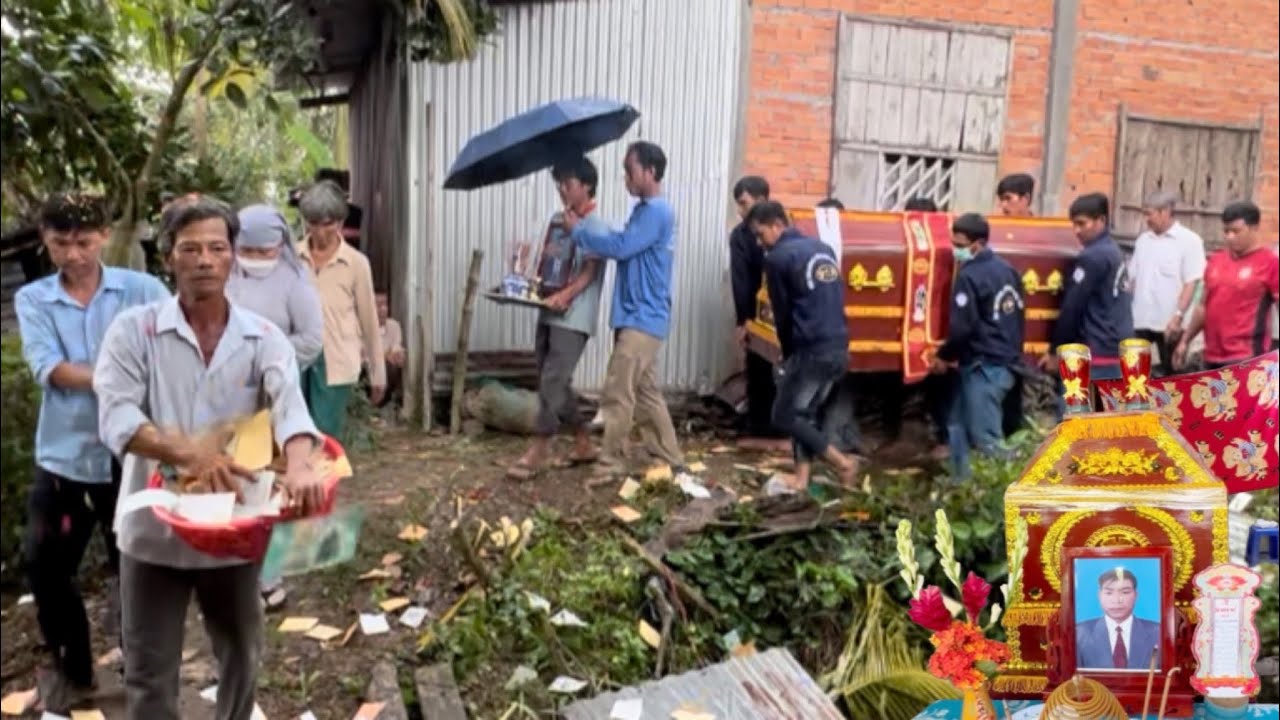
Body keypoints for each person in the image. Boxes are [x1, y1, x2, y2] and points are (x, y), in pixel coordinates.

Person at [94, 196, 325, 720]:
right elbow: (117, 416)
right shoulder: (135, 332)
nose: (204, 260)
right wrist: (188, 453)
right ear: (168, 258)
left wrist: (301, 463)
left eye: (217, 248)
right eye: (190, 248)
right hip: (154, 532)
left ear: (233, 257)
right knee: (149, 671)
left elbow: (289, 407)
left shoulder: (262, 337)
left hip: (233, 526)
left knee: (242, 655)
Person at [14, 194, 169, 713]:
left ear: (104, 235)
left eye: (83, 241)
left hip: (133, 456)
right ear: (45, 240)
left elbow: (170, 354)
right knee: (44, 568)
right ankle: (74, 669)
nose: (73, 254)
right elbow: (50, 368)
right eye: (61, 243)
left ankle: (143, 667)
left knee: (139, 566)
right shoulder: (34, 299)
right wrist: (119, 378)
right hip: (64, 458)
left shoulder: (143, 291)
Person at [564, 141, 684, 476]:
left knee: (619, 390)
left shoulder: (657, 211)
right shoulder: (644, 212)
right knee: (645, 393)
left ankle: (612, 460)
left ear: (650, 171)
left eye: (630, 171)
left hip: (642, 317)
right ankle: (670, 458)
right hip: (640, 316)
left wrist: (580, 232)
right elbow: (625, 245)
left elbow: (621, 247)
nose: (625, 178)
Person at [507, 157, 606, 479]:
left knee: (553, 379)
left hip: (574, 315)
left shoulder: (596, 227)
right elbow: (548, 262)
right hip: (549, 309)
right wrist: (526, 264)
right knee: (552, 379)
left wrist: (566, 295)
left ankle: (539, 448)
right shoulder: (557, 220)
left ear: (586, 186)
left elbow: (590, 272)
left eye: (568, 183)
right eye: (559, 183)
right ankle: (583, 441)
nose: (562, 189)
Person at [749, 201, 859, 491]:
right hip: (839, 344)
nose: (760, 243)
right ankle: (802, 478)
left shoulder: (778, 259)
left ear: (777, 225)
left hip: (811, 347)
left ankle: (842, 463)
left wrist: (787, 355)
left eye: (761, 234)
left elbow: (783, 313)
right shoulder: (823, 249)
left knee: (784, 414)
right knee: (803, 415)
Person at [931, 214, 1025, 478]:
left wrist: (943, 356)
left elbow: (962, 328)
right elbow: (1019, 318)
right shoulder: (1007, 270)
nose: (955, 249)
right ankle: (961, 484)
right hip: (999, 361)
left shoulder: (970, 275)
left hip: (985, 366)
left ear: (978, 244)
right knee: (957, 426)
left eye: (960, 244)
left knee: (986, 438)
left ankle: (1005, 490)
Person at [296, 180, 385, 439]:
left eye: (328, 224)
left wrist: (378, 372)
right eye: (314, 223)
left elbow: (369, 319)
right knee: (296, 434)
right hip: (297, 354)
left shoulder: (356, 263)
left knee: (325, 436)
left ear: (340, 222)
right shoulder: (292, 258)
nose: (321, 232)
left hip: (336, 358)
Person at [1174, 201, 1279, 370]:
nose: (1229, 236)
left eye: (1236, 231)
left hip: (1248, 358)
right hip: (1211, 356)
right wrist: (1185, 340)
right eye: (1226, 231)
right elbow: (1203, 306)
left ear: (1254, 228)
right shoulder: (1216, 260)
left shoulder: (1270, 263)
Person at [1044, 193, 1133, 383]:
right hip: (1117, 350)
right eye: (1074, 224)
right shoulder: (1114, 251)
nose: (1076, 230)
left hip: (1096, 352)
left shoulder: (1093, 257)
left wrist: (1055, 351)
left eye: (1082, 224)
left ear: (1101, 220)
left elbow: (1072, 307)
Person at [226, 204, 324, 369]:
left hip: (276, 373)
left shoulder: (295, 280)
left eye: (264, 251)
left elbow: (311, 339)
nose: (254, 258)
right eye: (246, 250)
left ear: (280, 245)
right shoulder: (226, 273)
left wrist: (260, 353)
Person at [1127, 191, 1205, 376]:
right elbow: (1132, 279)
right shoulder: (1143, 240)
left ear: (1165, 212)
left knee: (1172, 375)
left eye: (1149, 214)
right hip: (1141, 320)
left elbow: (1191, 283)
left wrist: (1178, 316)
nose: (1146, 219)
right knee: (1134, 374)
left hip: (1170, 323)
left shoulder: (1190, 241)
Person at [728, 175, 779, 441]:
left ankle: (776, 428)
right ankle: (761, 427)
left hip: (779, 314)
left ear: (761, 200)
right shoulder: (740, 236)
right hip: (757, 316)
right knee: (759, 369)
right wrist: (744, 320)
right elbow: (741, 282)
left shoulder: (779, 229)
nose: (740, 210)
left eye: (743, 203)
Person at [1075, 568, 1161, 670]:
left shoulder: (1158, 633)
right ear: (1099, 596)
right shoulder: (1079, 633)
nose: (1117, 600)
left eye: (1125, 592)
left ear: (1135, 595)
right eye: (1109, 593)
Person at [374, 290, 405, 408]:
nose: (383, 309)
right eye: (378, 305)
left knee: (394, 365)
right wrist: (385, 355)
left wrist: (397, 354)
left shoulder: (394, 326)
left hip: (386, 368)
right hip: (368, 370)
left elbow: (396, 347)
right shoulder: (362, 326)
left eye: (385, 304)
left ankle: (382, 404)